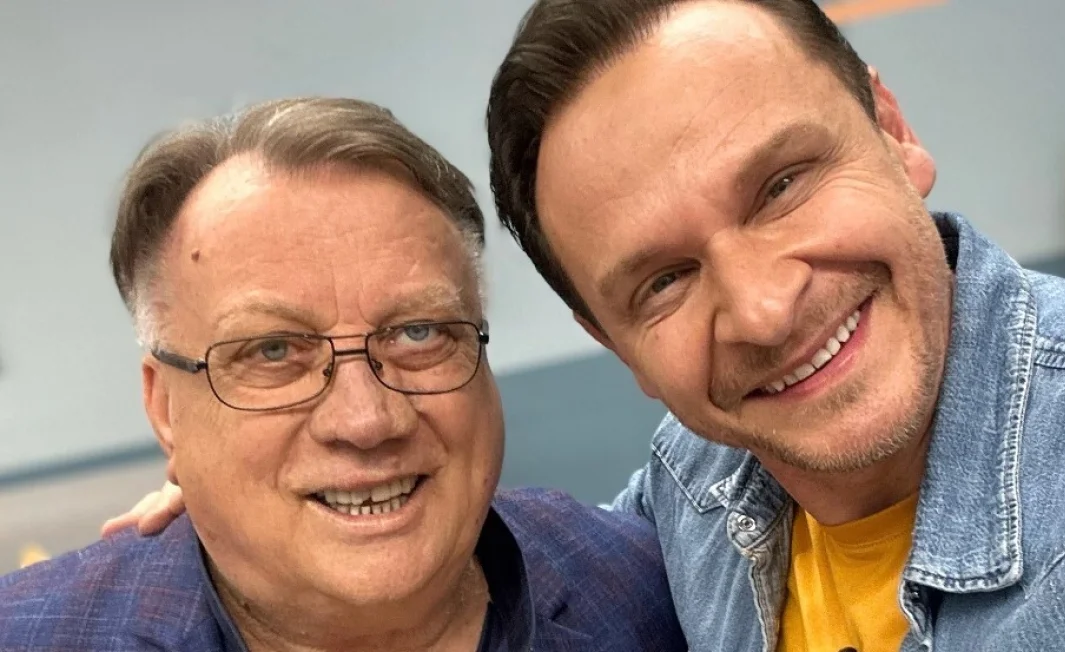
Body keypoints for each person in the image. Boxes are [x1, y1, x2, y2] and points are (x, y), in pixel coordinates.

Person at [109, 0, 1065, 650]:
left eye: (781, 184)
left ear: (890, 129)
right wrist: (250, 488)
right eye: (660, 281)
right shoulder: (695, 492)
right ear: (613, 343)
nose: (763, 307)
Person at [0, 97, 685, 652]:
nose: (366, 420)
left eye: (418, 333)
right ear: (166, 410)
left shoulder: (650, 590)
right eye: (273, 352)